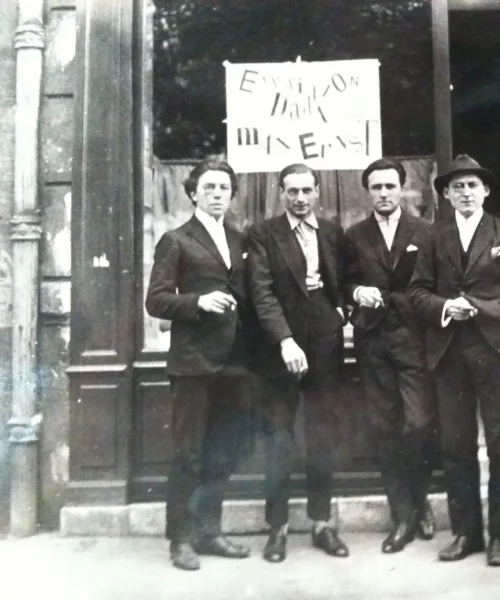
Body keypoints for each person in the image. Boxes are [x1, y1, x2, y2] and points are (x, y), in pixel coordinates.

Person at [408, 155, 500, 567]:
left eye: (473, 185)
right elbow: (416, 293)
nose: (465, 192)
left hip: (495, 351)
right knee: (456, 445)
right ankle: (466, 532)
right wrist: (447, 307)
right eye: (457, 187)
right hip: (449, 352)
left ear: (485, 191)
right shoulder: (435, 237)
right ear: (446, 194)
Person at [145, 158, 252, 571]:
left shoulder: (239, 240)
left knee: (222, 455)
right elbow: (155, 300)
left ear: (231, 194)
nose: (217, 194)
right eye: (208, 187)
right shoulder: (176, 240)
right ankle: (180, 540)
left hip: (234, 363)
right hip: (193, 364)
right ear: (193, 194)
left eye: (224, 188)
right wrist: (197, 302)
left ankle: (209, 532)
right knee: (188, 454)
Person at [247, 163, 349, 563]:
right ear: (280, 193)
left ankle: (322, 524)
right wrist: (286, 340)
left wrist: (341, 314)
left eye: (307, 190)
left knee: (322, 435)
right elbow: (262, 292)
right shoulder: (263, 234)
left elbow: (344, 281)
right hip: (280, 351)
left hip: (325, 346)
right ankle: (278, 528)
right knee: (279, 438)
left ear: (318, 191)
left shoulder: (332, 232)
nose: (300, 199)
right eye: (292, 191)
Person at [343, 158, 436, 554]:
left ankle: (421, 498)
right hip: (374, 342)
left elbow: (435, 283)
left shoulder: (427, 232)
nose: (383, 193)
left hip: (415, 341)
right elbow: (342, 282)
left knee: (417, 424)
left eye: (390, 186)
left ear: (403, 189)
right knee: (384, 426)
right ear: (368, 192)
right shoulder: (354, 236)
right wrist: (355, 293)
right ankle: (402, 516)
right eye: (376, 187)